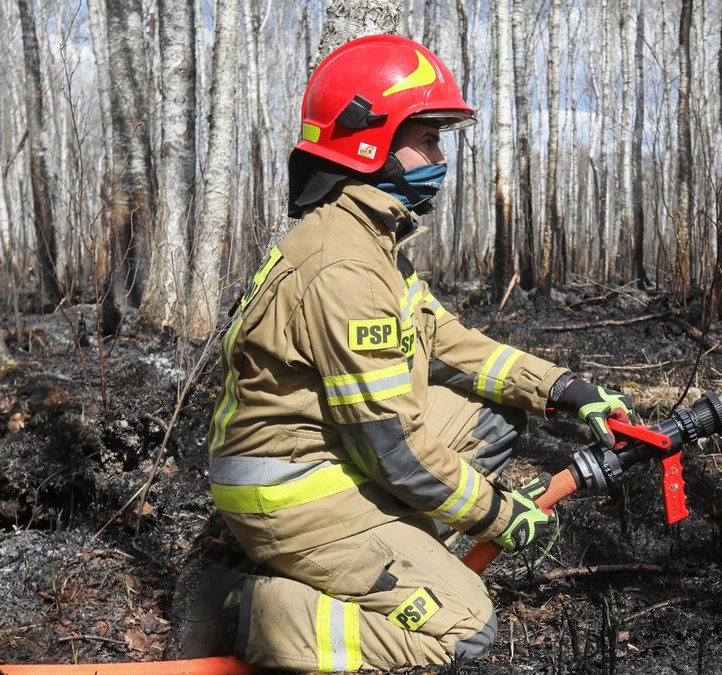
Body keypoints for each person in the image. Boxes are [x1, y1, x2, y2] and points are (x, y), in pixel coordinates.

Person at [195, 34, 633, 671]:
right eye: (426, 139)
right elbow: (392, 448)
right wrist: (500, 516)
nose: (439, 158)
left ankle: (400, 559)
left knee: (492, 414)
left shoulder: (368, 240)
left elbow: (448, 344)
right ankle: (244, 611)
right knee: (463, 633)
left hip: (327, 452)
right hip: (291, 491)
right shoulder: (345, 269)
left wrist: (563, 389)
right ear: (368, 140)